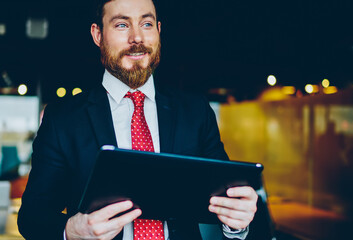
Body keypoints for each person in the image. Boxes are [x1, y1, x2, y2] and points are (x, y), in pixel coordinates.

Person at [17, 0, 258, 239]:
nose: (137, 38)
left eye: (146, 24)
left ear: (159, 30)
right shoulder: (63, 119)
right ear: (97, 35)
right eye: (122, 25)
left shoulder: (195, 111)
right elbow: (32, 218)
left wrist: (236, 221)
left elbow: (224, 201)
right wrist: (72, 230)